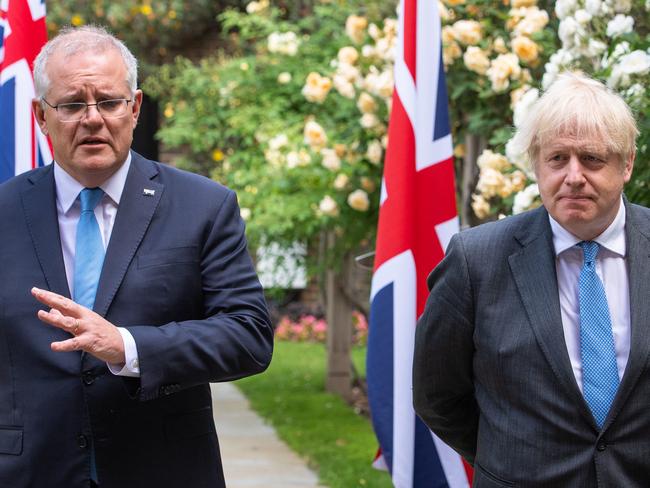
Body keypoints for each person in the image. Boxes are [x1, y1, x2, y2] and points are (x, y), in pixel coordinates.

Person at [0, 26, 273, 488]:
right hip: (28, 470)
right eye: (71, 105)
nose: (92, 119)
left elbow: (248, 336)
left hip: (162, 468)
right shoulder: (4, 213)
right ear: (41, 117)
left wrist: (128, 347)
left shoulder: (203, 206)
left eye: (108, 101)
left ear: (135, 107)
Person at [413, 72, 650, 486]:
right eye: (557, 159)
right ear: (537, 164)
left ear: (627, 163)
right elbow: (437, 395)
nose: (573, 176)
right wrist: (511, 457)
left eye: (592, 158)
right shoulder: (477, 261)